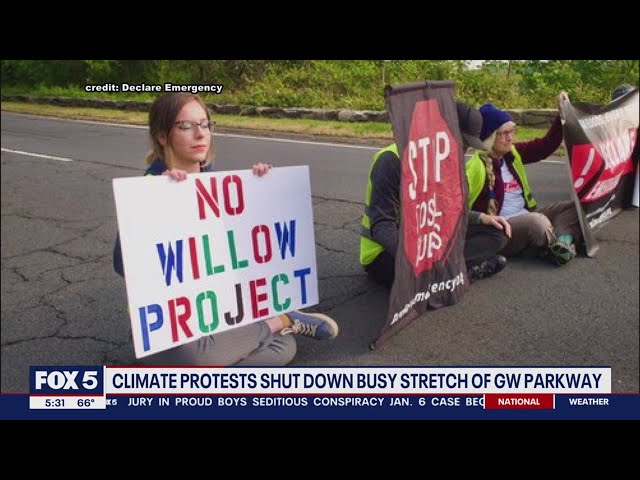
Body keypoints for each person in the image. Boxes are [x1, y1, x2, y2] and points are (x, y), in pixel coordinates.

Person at [113, 92, 338, 366]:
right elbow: (122, 263)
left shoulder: (213, 181)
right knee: (194, 357)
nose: (200, 134)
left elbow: (239, 248)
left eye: (205, 124)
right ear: (162, 136)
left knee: (285, 347)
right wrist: (159, 207)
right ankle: (280, 321)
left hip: (213, 311)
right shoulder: (148, 188)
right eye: (186, 126)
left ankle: (256, 338)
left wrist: (261, 189)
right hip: (167, 325)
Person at [360, 102, 512, 289]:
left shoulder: (447, 163)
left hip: (429, 243)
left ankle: (446, 274)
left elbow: (448, 210)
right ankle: (458, 274)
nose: (462, 152)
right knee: (418, 277)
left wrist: (481, 218)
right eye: (461, 143)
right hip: (387, 251)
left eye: (467, 146)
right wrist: (418, 259)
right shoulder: (392, 159)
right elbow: (382, 226)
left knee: (498, 233)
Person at [466, 93, 582, 265]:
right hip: (502, 228)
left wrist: (561, 114)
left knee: (576, 207)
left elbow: (546, 146)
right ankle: (558, 240)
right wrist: (481, 219)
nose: (510, 137)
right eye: (504, 133)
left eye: (512, 131)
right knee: (537, 223)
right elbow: (456, 210)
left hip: (527, 215)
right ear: (489, 137)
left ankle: (560, 242)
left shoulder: (512, 153)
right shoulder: (475, 166)